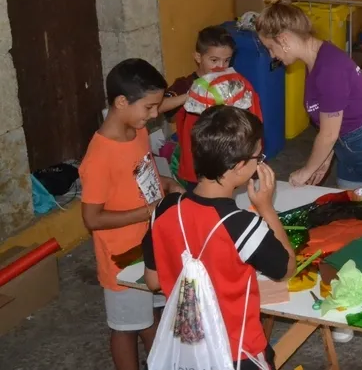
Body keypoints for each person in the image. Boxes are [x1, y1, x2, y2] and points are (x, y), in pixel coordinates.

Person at [143, 106, 295, 370]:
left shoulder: (164, 209)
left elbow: (153, 281)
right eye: (258, 157)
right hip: (238, 353)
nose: (260, 163)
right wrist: (266, 208)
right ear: (239, 167)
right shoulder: (242, 226)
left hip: (188, 352)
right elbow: (287, 268)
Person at [79, 59, 184, 370]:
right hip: (121, 258)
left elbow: (139, 173)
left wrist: (166, 183)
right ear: (122, 102)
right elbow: (92, 219)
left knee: (151, 314)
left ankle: (161, 363)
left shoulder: (136, 131)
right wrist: (147, 211)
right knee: (125, 327)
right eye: (149, 107)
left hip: (149, 244)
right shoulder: (99, 156)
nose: (154, 115)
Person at [256, 0, 362, 193]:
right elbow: (335, 120)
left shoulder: (329, 67)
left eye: (270, 47)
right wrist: (325, 156)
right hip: (349, 152)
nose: (272, 55)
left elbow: (329, 133)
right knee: (349, 210)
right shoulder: (315, 60)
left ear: (284, 39)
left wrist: (307, 171)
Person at [160, 26, 262, 189]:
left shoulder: (234, 83)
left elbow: (252, 119)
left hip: (227, 160)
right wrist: (191, 96)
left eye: (227, 60)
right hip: (195, 164)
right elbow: (159, 106)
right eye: (214, 60)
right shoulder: (186, 84)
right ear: (198, 57)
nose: (221, 66)